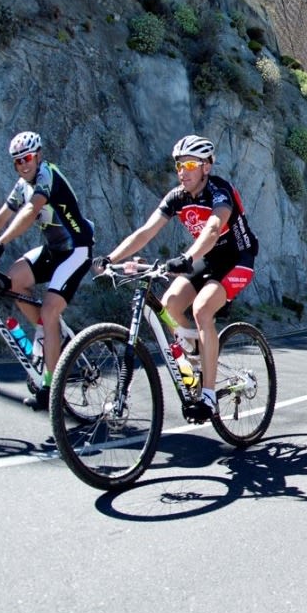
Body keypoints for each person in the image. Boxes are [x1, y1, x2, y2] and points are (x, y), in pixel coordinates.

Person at [96, 135, 258, 422]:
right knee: (169, 304)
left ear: (206, 167)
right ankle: (197, 350)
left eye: (191, 164)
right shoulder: (177, 197)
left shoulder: (220, 191)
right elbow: (146, 232)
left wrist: (186, 257)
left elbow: (213, 228)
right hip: (205, 258)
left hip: (238, 258)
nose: (183, 171)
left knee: (202, 309)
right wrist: (111, 258)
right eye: (179, 165)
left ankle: (208, 396)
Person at [0, 131, 94, 410]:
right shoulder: (22, 184)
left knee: (48, 310)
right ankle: (50, 335)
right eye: (17, 161)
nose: (23, 164)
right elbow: (3, 214)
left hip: (77, 249)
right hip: (54, 250)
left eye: (28, 158)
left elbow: (30, 211)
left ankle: (51, 387)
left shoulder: (47, 175)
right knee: (13, 281)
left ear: (39, 156)